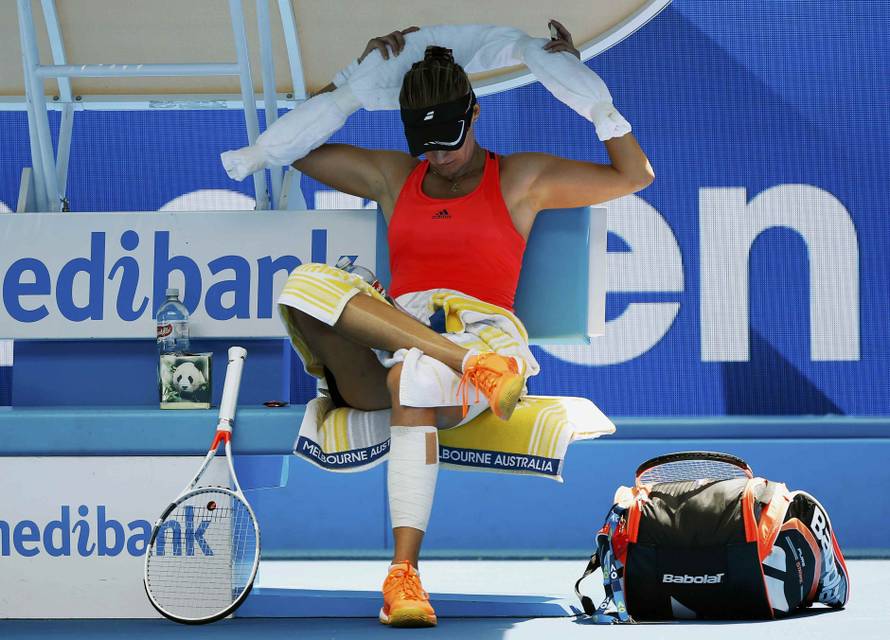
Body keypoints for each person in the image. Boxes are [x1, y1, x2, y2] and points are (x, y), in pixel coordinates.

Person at [280, 20, 654, 628]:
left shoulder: (520, 178)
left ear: (476, 113)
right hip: (418, 356)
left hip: (481, 340)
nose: (438, 156)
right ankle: (460, 364)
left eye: (449, 139)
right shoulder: (393, 176)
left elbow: (633, 175)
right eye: (425, 144)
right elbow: (292, 145)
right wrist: (354, 80)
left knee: (414, 381)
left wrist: (583, 88)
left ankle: (403, 575)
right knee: (303, 287)